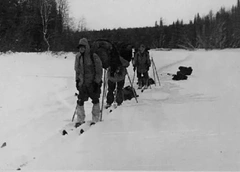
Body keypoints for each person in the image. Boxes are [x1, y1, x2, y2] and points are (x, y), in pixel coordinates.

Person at [74, 38, 103, 127]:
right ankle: (80, 119)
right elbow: (77, 70)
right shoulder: (78, 57)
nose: (81, 49)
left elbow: (99, 70)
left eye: (83, 47)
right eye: (80, 47)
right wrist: (77, 80)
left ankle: (95, 118)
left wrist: (97, 82)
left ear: (86, 47)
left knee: (95, 100)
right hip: (82, 84)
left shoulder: (93, 56)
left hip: (92, 83)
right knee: (80, 101)